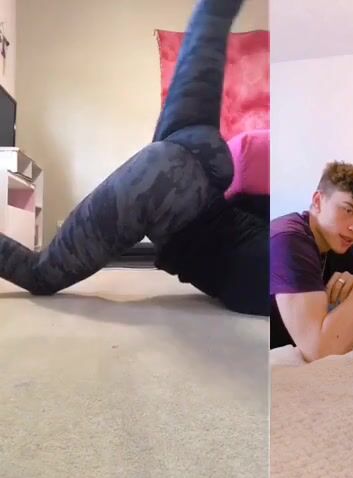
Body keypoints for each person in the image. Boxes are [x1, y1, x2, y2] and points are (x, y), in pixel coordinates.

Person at [0, 0, 269, 316]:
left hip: (187, 175)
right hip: (172, 194)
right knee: (38, 273)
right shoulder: (298, 264)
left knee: (212, 18)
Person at [270, 161, 353, 361]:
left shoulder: (339, 243)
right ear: (318, 201)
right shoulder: (288, 241)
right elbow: (320, 351)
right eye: (348, 211)